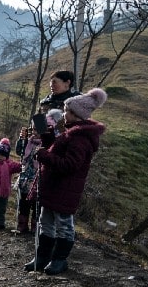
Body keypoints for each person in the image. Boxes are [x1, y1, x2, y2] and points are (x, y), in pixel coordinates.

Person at [24, 88, 108, 275]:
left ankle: (59, 260)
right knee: (45, 223)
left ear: (78, 115)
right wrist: (45, 136)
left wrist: (43, 155)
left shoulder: (81, 139)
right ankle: (42, 257)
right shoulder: (71, 133)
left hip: (65, 190)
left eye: (68, 111)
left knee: (63, 226)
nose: (64, 114)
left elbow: (69, 165)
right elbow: (55, 150)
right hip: (53, 188)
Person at [13, 109, 64, 234]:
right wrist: (21, 140)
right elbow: (20, 151)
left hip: (39, 179)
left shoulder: (47, 144)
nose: (34, 132)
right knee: (24, 203)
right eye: (33, 129)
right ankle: (22, 225)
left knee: (37, 205)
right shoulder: (29, 141)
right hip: (26, 178)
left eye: (37, 130)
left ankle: (36, 228)